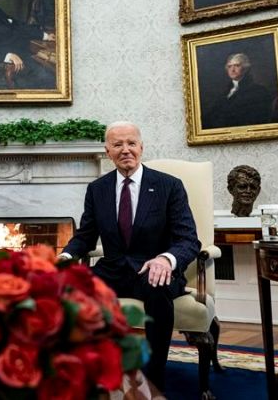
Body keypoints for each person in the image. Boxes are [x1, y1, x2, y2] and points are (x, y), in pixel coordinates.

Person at [60, 121, 200, 390]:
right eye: (117, 144)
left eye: (131, 143)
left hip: (154, 269)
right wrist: (65, 258)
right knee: (70, 287)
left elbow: (188, 239)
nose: (125, 150)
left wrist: (166, 259)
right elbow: (85, 236)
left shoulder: (168, 186)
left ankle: (154, 377)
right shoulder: (97, 189)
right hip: (113, 269)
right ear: (107, 151)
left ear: (141, 147)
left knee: (157, 286)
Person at [202, 53, 277, 129]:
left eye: (237, 65)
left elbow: (258, 119)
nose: (232, 70)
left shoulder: (259, 91)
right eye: (229, 66)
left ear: (246, 68)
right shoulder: (224, 92)